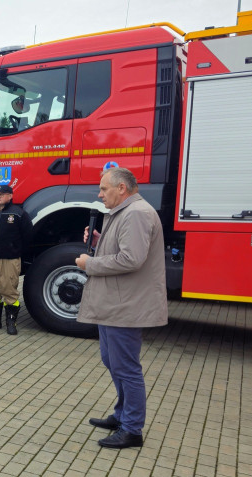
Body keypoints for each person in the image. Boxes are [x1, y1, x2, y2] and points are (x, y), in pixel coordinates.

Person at [76, 167, 167, 449]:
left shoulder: (137, 214)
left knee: (126, 368)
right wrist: (97, 242)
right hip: (115, 304)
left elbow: (131, 259)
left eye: (104, 189)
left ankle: (132, 429)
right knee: (111, 360)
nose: (100, 194)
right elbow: (121, 250)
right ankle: (122, 414)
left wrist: (88, 264)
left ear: (122, 189)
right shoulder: (125, 212)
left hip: (126, 305)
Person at [0, 184, 32, 334]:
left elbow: (28, 237)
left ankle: (11, 322)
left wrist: (17, 252)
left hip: (10, 260)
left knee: (9, 291)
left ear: (10, 196)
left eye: (1, 194)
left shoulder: (19, 214)